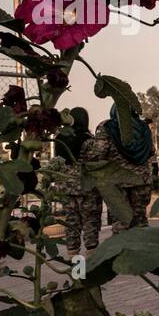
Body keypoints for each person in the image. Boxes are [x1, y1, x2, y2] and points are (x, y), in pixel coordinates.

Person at [81, 104, 156, 234]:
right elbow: (151, 150)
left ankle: (123, 251)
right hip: (141, 180)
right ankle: (143, 250)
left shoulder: (107, 127)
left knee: (121, 222)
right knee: (140, 220)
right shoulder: (143, 127)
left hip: (118, 182)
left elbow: (98, 153)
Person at [55, 107, 99, 255]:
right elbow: (95, 162)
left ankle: (76, 269)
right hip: (86, 187)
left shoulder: (60, 137)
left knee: (71, 224)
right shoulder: (88, 139)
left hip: (66, 186)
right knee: (90, 223)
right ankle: (91, 266)